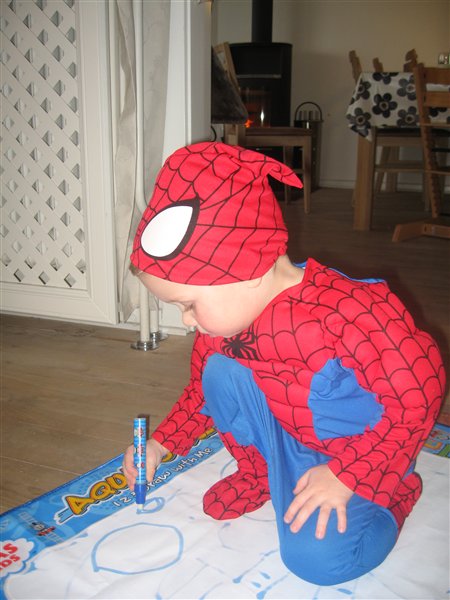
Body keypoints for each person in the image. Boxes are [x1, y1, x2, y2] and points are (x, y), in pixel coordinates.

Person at [123, 141, 445, 585]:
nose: (187, 320)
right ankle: (260, 471)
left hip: (363, 449)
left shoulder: (352, 310)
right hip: (289, 431)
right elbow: (201, 392)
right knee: (219, 371)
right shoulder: (223, 326)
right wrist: (160, 444)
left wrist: (349, 476)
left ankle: (395, 496)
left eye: (189, 304)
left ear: (248, 268)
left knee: (318, 560)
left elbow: (419, 396)